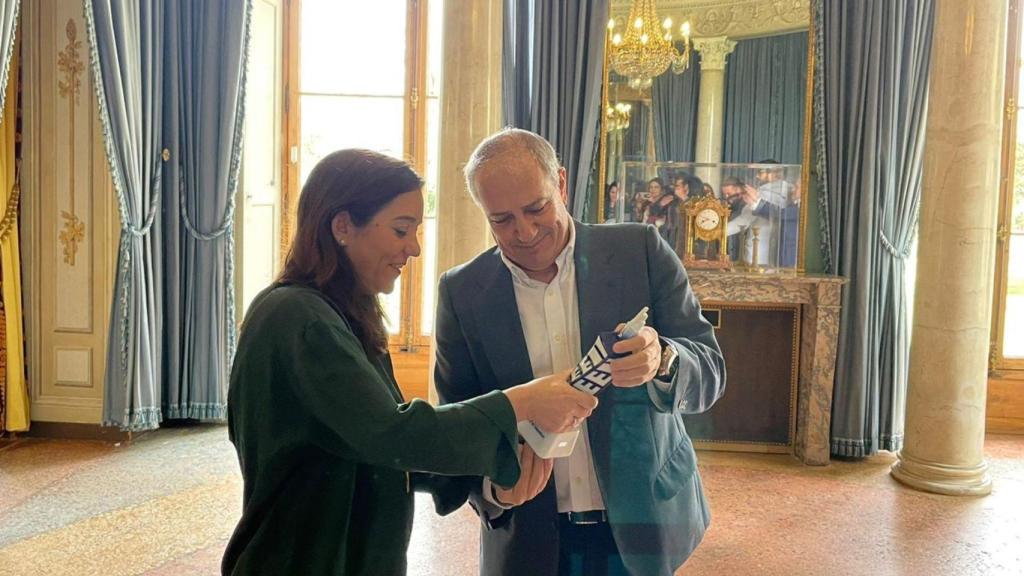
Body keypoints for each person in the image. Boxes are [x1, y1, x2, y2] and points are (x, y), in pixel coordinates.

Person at [222, 149, 598, 576]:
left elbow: (380, 451)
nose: (414, 248)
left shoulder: (336, 315)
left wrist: (496, 488)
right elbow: (393, 435)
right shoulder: (298, 319)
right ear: (343, 226)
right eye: (402, 230)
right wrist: (522, 403)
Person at [434, 129, 726, 576]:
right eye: (502, 220)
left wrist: (664, 358)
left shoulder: (640, 250)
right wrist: (494, 491)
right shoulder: (462, 292)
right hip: (530, 537)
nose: (525, 232)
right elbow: (458, 421)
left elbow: (710, 368)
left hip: (645, 524)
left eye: (536, 208)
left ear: (562, 184)